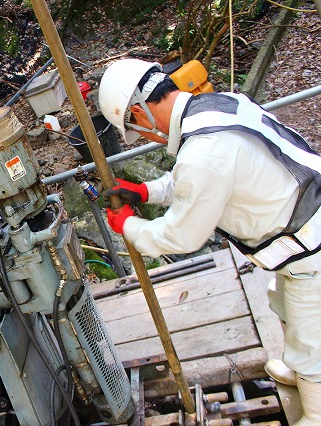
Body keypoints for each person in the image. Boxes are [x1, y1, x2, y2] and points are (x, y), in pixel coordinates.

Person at [98, 58, 321, 425]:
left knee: (312, 329)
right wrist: (146, 191)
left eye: (137, 130)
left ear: (139, 111)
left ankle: (314, 407)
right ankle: (298, 369)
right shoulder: (218, 107)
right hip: (301, 228)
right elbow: (194, 181)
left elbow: (181, 234)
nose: (146, 138)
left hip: (310, 248)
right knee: (282, 302)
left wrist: (129, 227)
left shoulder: (206, 151)